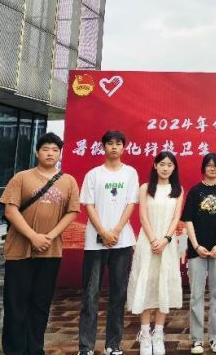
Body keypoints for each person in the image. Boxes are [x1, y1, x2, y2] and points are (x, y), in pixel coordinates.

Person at [0, 132, 80, 355]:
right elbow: (10, 210)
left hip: (50, 252)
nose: (50, 153)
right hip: (19, 251)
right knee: (16, 304)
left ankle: (35, 349)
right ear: (37, 152)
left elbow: (72, 212)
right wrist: (33, 236)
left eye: (55, 150)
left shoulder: (68, 181)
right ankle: (14, 350)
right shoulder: (22, 177)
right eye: (45, 149)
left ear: (60, 154)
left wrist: (50, 236)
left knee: (40, 304)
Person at [78, 130, 139, 355]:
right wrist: (103, 232)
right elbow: (89, 205)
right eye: (110, 143)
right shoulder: (94, 174)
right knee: (90, 294)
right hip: (95, 243)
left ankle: (113, 345)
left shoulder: (130, 173)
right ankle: (85, 347)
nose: (114, 147)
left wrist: (116, 230)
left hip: (122, 242)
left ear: (124, 147)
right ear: (103, 147)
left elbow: (131, 203)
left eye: (118, 144)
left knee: (118, 294)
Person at [127, 151, 184, 355]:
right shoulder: (145, 188)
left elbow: (176, 218)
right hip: (147, 242)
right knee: (146, 284)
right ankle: (145, 334)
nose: (165, 168)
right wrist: (153, 240)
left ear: (174, 168)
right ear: (155, 165)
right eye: (162, 164)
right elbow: (143, 217)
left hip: (167, 244)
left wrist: (165, 240)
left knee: (163, 286)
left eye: (169, 165)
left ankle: (158, 334)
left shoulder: (178, 190)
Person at [182, 153, 216, 354]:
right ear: (203, 168)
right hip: (197, 251)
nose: (212, 168)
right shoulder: (195, 191)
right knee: (196, 295)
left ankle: (215, 338)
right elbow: (188, 220)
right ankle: (196, 340)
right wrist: (196, 246)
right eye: (209, 165)